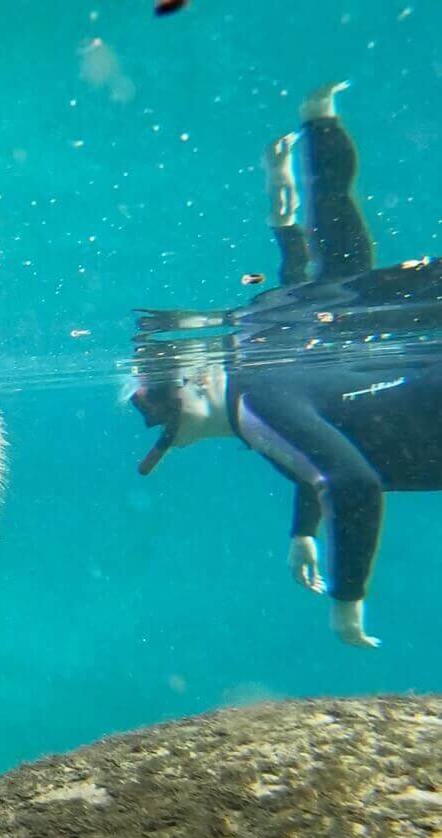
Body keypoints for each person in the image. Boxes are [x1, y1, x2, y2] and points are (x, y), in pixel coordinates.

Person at [129, 83, 442, 649]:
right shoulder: (261, 395)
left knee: (339, 258)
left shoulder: (255, 406)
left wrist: (346, 604)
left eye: (153, 395)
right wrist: (304, 531)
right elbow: (318, 445)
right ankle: (319, 119)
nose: (155, 415)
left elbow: (350, 482)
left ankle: (318, 120)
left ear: (197, 379)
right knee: (338, 254)